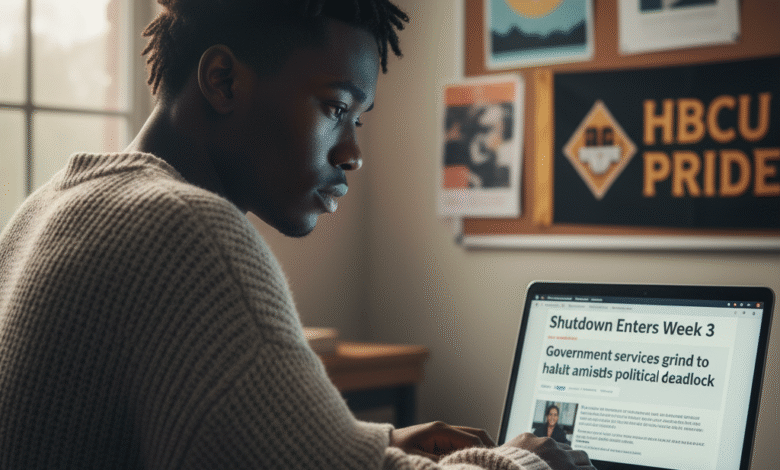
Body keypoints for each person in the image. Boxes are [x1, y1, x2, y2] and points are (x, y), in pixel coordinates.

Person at [0, 1, 593, 468]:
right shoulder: (185, 229)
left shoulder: (52, 204)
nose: (353, 152)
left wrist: (377, 444)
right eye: (335, 108)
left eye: (357, 120)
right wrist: (524, 462)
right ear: (223, 80)